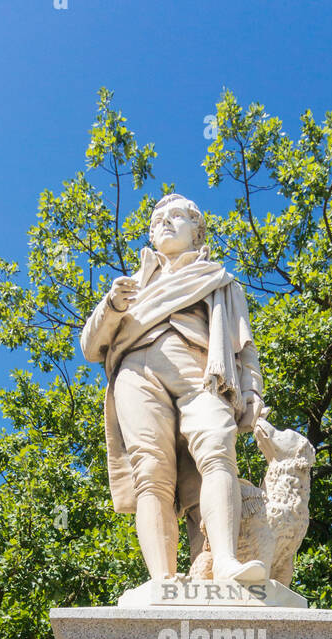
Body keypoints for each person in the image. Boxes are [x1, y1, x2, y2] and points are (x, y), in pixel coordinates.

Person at [80, 193, 266, 584]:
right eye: (158, 218)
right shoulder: (130, 287)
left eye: (177, 216)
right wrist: (112, 306)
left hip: (201, 369)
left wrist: (252, 389)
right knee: (150, 470)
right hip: (135, 373)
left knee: (217, 447)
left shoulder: (219, 280)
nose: (165, 222)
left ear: (197, 232)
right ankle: (162, 578)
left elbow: (242, 343)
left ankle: (226, 563)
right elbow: (90, 347)